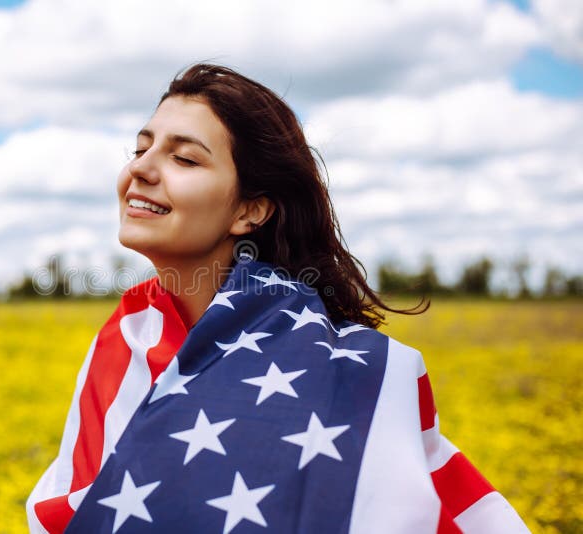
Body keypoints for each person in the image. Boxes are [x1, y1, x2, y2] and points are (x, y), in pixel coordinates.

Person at [26, 63, 529, 533]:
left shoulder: (354, 370)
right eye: (140, 149)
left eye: (183, 157)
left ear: (250, 210)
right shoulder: (125, 338)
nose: (142, 169)